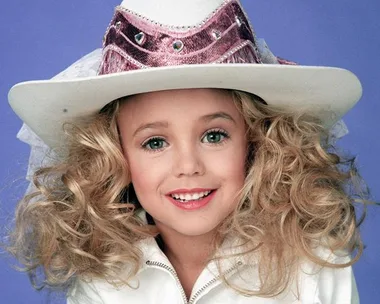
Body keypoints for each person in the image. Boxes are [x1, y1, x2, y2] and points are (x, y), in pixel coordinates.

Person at [6, 0, 371, 303]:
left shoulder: (313, 266)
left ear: (258, 141)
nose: (188, 166)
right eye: (155, 142)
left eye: (214, 136)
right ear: (114, 157)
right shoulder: (104, 276)